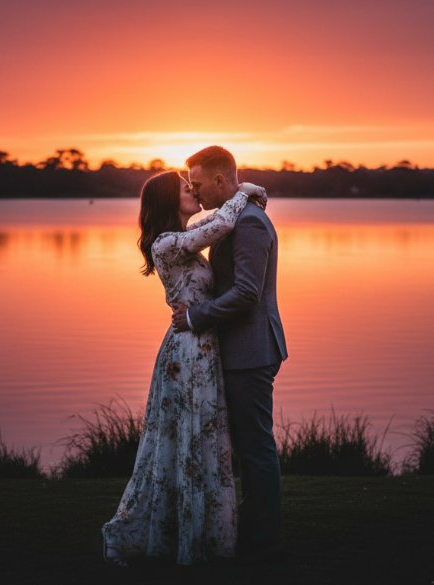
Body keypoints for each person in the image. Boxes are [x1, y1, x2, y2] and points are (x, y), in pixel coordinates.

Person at [102, 170, 267, 567]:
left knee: (203, 439)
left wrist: (240, 192)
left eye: (192, 184)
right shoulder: (166, 244)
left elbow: (216, 222)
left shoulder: (185, 239)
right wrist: (244, 190)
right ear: (166, 200)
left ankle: (206, 534)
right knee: (184, 441)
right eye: (183, 187)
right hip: (186, 354)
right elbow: (224, 222)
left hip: (202, 348)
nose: (192, 190)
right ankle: (149, 534)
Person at [172, 145, 289, 560]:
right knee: (244, 443)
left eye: (199, 183)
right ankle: (252, 524)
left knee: (254, 445)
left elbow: (245, 294)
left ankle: (262, 536)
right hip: (239, 348)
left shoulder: (252, 224)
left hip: (252, 350)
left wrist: (194, 317)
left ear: (221, 180)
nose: (194, 190)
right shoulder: (232, 218)